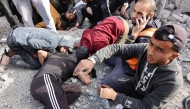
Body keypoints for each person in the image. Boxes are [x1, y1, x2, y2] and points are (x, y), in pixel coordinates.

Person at [73, 24, 187, 108]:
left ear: (173, 56)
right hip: (134, 85)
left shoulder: (172, 80)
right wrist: (93, 59)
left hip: (146, 101)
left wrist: (116, 96)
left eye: (160, 50)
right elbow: (117, 48)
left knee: (112, 96)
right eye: (151, 43)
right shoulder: (145, 49)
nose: (150, 52)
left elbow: (146, 106)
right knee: (103, 90)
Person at [101, 0, 157, 86]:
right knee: (106, 57)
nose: (134, 15)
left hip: (130, 69)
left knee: (104, 85)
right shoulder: (141, 25)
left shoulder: (147, 38)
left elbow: (125, 54)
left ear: (151, 15)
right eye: (134, 10)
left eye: (139, 13)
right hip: (124, 60)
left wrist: (134, 35)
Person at [0, 27, 75, 71]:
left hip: (16, 32)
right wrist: (33, 53)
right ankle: (7, 60)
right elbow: (31, 42)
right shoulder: (53, 44)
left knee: (31, 48)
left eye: (67, 50)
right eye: (65, 47)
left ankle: (12, 51)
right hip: (13, 40)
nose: (64, 50)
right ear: (62, 42)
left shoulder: (54, 35)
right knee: (36, 65)